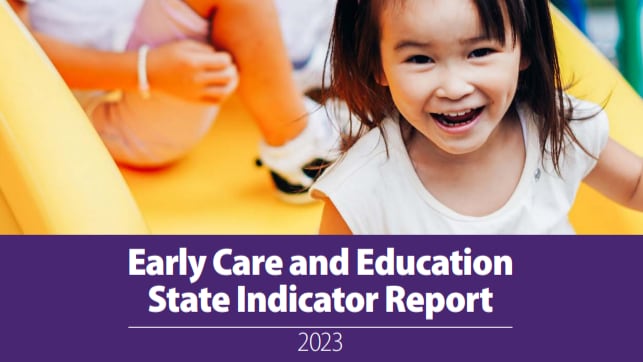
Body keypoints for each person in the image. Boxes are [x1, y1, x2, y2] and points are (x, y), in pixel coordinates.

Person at [311, 0, 643, 234]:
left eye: (480, 52)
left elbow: (633, 186)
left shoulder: (554, 129)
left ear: (524, 48)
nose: (454, 88)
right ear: (377, 65)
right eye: (420, 59)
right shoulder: (362, 191)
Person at [8, 0, 339, 204]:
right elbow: (14, 55)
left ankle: (308, 78)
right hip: (94, 118)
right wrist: (148, 70)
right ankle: (298, 155)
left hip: (148, 55)